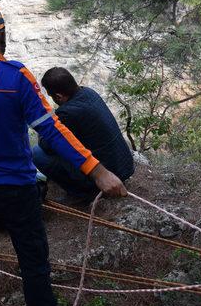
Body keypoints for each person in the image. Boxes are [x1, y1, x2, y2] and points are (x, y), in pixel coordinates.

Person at [0, 2, 127, 306]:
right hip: (17, 187)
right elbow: (51, 130)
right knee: (33, 263)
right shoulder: (17, 76)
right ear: (2, 36)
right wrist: (96, 169)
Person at [33, 67, 135, 205]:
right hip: (125, 166)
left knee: (38, 153)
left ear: (58, 96)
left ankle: (81, 193)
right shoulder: (88, 92)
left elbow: (47, 146)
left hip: (109, 173)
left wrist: (47, 125)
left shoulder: (67, 113)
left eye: (52, 96)